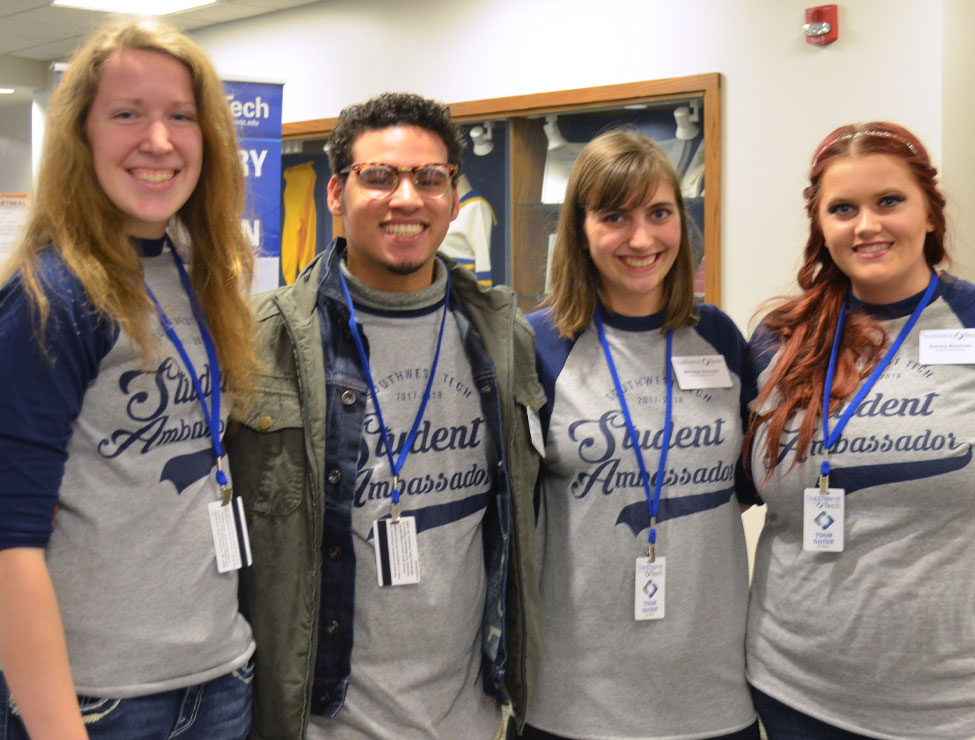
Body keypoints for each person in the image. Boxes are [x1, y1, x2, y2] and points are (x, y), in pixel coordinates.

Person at [226, 92, 544, 740]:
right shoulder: (261, 341)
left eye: (429, 178)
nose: (406, 198)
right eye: (380, 177)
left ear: (452, 197)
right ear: (336, 194)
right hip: (319, 722)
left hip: (473, 719)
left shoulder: (501, 336)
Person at [0, 18, 258, 740]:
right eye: (126, 114)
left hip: (220, 678)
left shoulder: (197, 273)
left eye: (181, 116)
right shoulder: (52, 296)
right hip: (100, 701)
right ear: (81, 137)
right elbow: (8, 545)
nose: (159, 141)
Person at [523, 129, 759, 740]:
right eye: (614, 216)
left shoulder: (722, 338)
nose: (641, 238)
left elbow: (745, 483)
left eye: (659, 213)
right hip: (575, 695)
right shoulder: (536, 347)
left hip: (712, 688)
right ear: (578, 229)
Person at [744, 122, 975, 739]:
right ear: (821, 225)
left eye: (889, 201)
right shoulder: (780, 340)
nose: (867, 225)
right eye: (843, 209)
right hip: (794, 688)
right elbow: (733, 482)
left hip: (952, 701)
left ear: (930, 211)